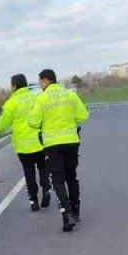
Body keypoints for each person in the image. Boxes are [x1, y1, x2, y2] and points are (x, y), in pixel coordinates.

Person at [28, 68, 89, 232]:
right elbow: (83, 116)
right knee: (71, 176)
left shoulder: (41, 98)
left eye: (40, 81)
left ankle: (66, 213)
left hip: (52, 145)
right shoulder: (70, 95)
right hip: (71, 141)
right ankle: (75, 210)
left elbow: (33, 122)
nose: (40, 85)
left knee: (57, 179)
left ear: (45, 80)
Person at [0, 74, 51, 211]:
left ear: (14, 86)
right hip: (41, 141)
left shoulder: (11, 103)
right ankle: (46, 188)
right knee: (43, 168)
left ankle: (34, 201)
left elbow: (2, 123)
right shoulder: (36, 97)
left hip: (23, 146)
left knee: (29, 173)